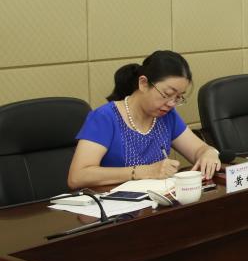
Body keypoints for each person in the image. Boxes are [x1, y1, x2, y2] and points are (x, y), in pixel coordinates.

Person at [68, 50, 220, 189]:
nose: (171, 104)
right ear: (143, 83)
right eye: (167, 94)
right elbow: (77, 177)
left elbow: (199, 150)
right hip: (115, 205)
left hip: (156, 203)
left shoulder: (167, 116)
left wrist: (209, 153)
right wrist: (143, 172)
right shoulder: (105, 117)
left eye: (178, 97)